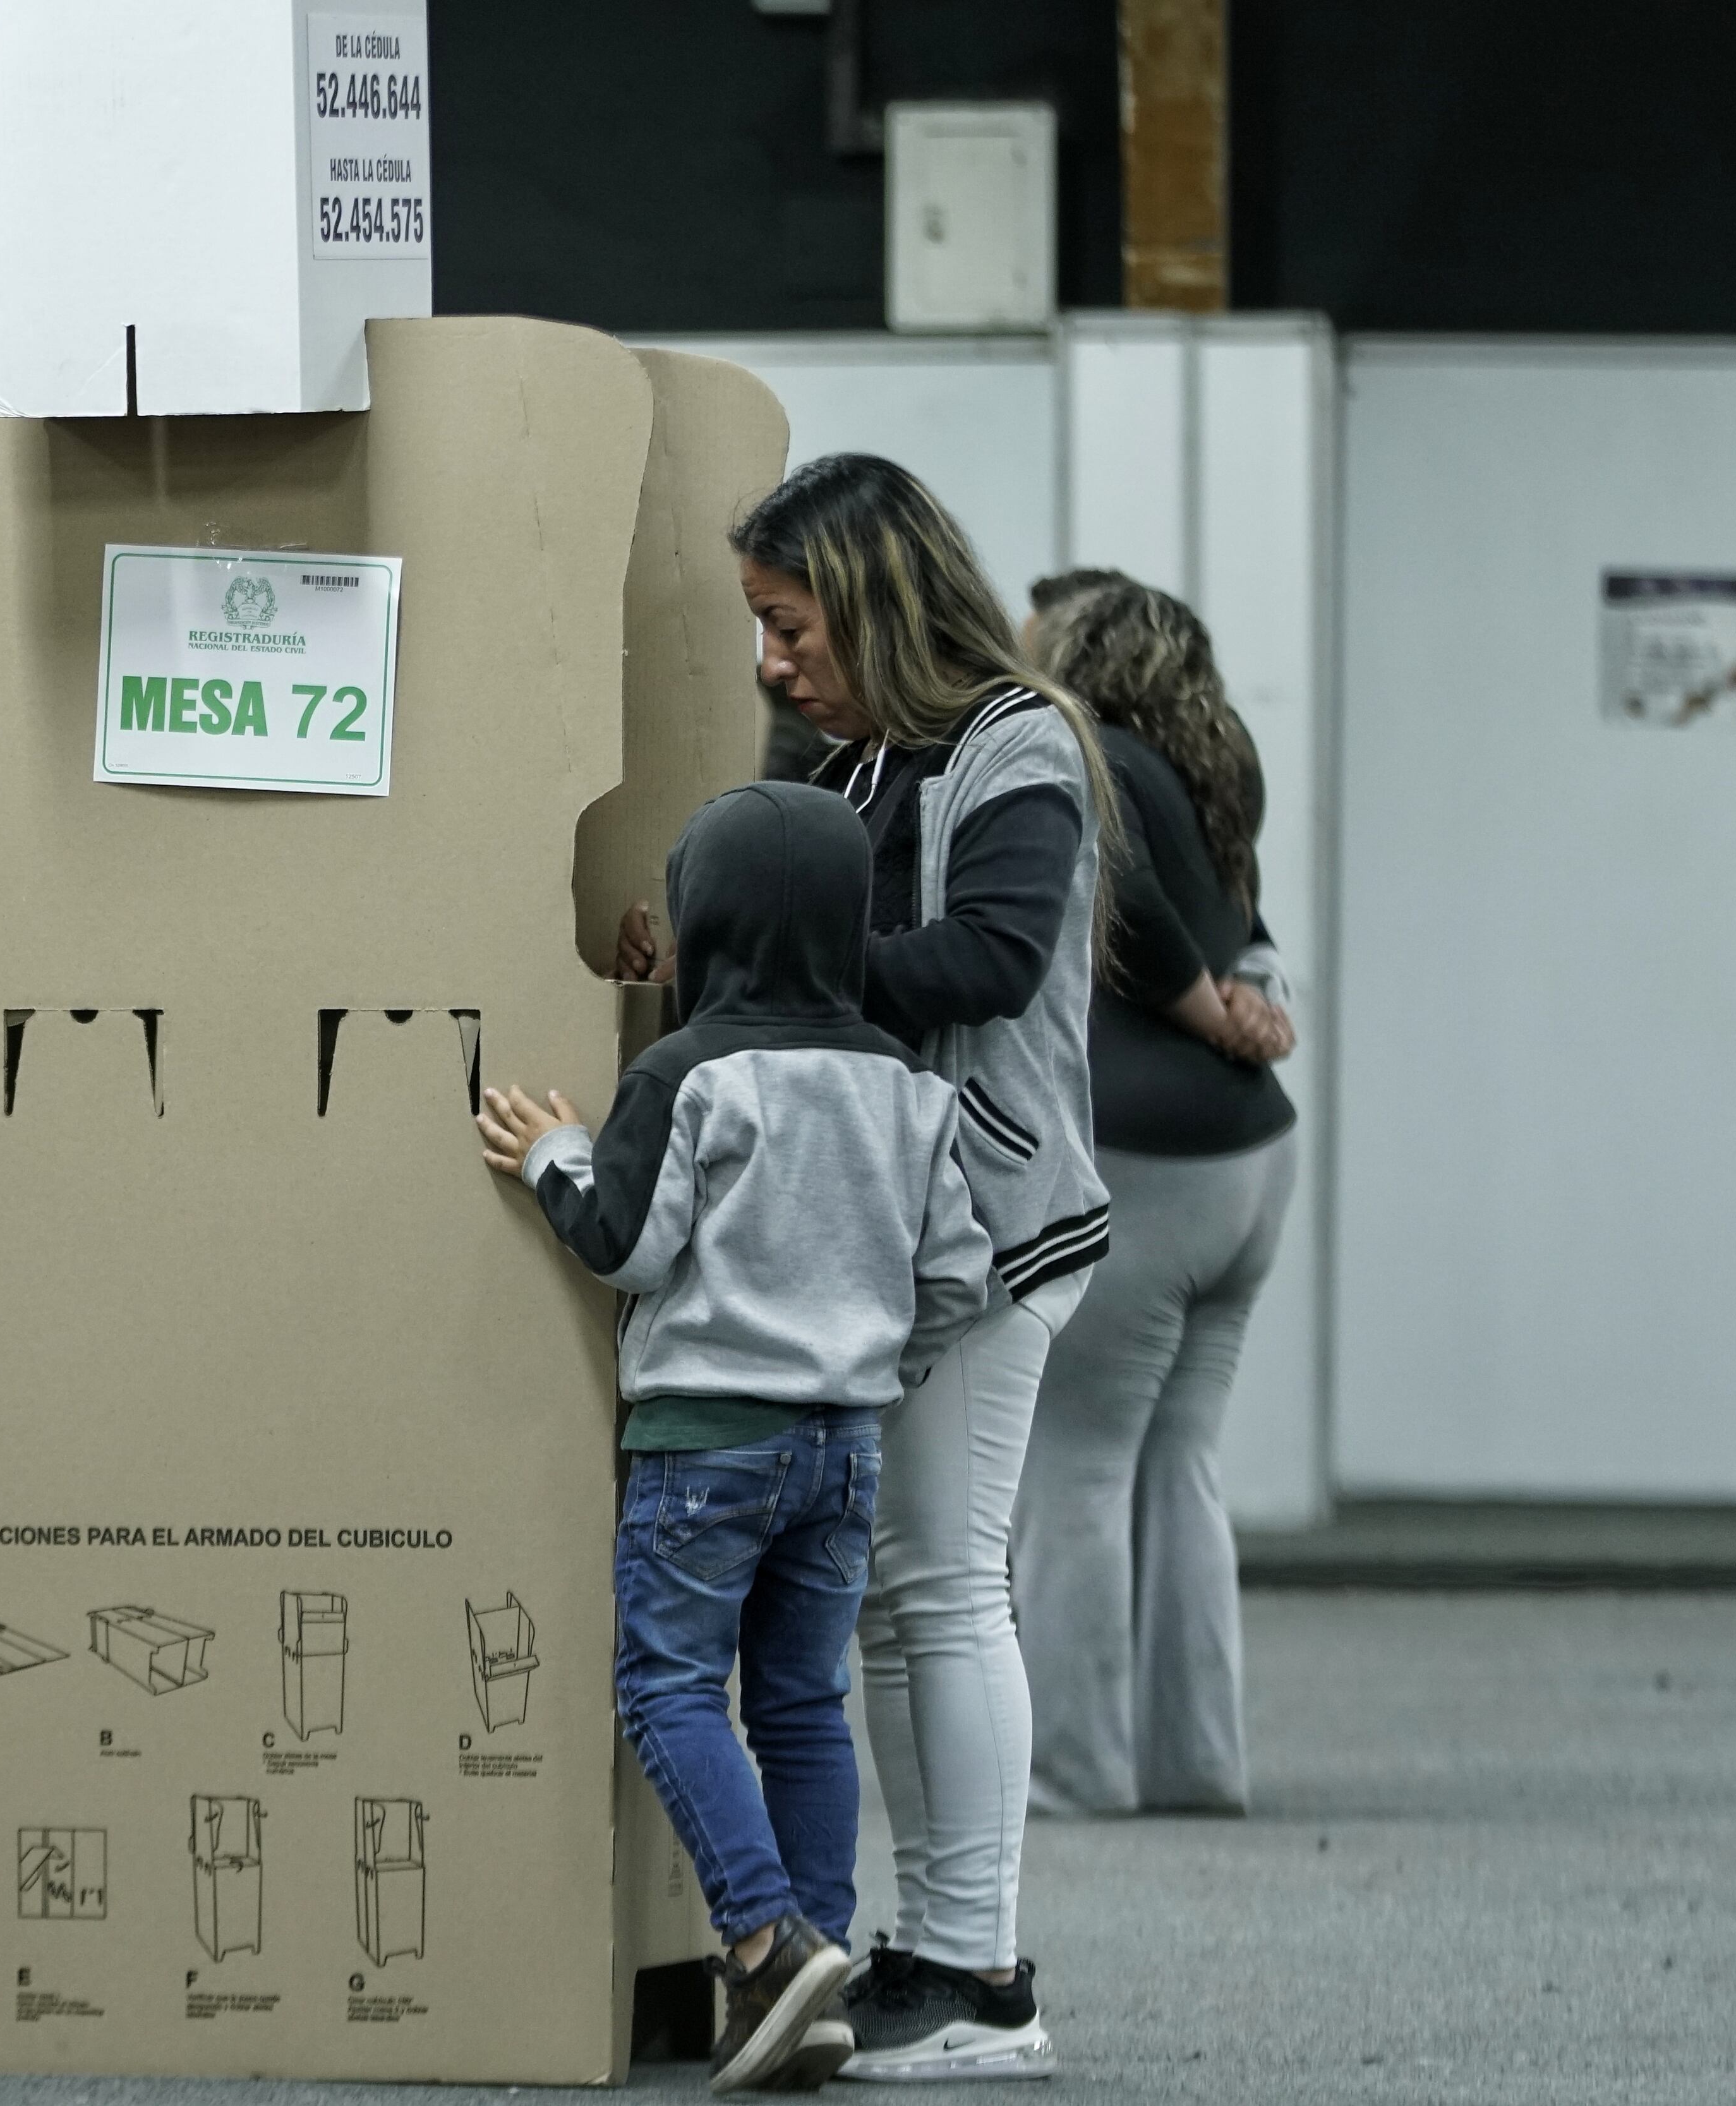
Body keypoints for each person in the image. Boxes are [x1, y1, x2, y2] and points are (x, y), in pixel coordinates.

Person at [616, 454, 1114, 2082]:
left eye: (787, 621)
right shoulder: (853, 772)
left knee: (944, 1589)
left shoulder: (1016, 743)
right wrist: (707, 949)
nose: (771, 660)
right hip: (903, 1237)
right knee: (903, 1610)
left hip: (988, 1225)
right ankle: (930, 1948)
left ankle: (981, 1974)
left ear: (872, 593)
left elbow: (991, 952)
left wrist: (771, 977)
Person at [477, 781, 991, 2095]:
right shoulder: (903, 1083)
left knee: (664, 1684)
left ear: (702, 913)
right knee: (801, 1701)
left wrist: (554, 1154)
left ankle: (762, 1941)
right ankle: (813, 1967)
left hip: (705, 1442)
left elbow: (623, 1242)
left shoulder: (685, 1072)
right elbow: (957, 1277)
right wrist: (874, 1359)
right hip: (842, 1449)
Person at [1009, 572, 1298, 1817]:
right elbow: (1252, 935)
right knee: (1180, 1457)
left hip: (1137, 1159)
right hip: (1246, 1170)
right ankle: (1195, 1760)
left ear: (1084, 652)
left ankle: (1074, 1767)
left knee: (1070, 1462)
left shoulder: (1095, 756)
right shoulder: (1212, 766)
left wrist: (1202, 1013)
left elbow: (1124, 921)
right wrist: (1246, 1008)